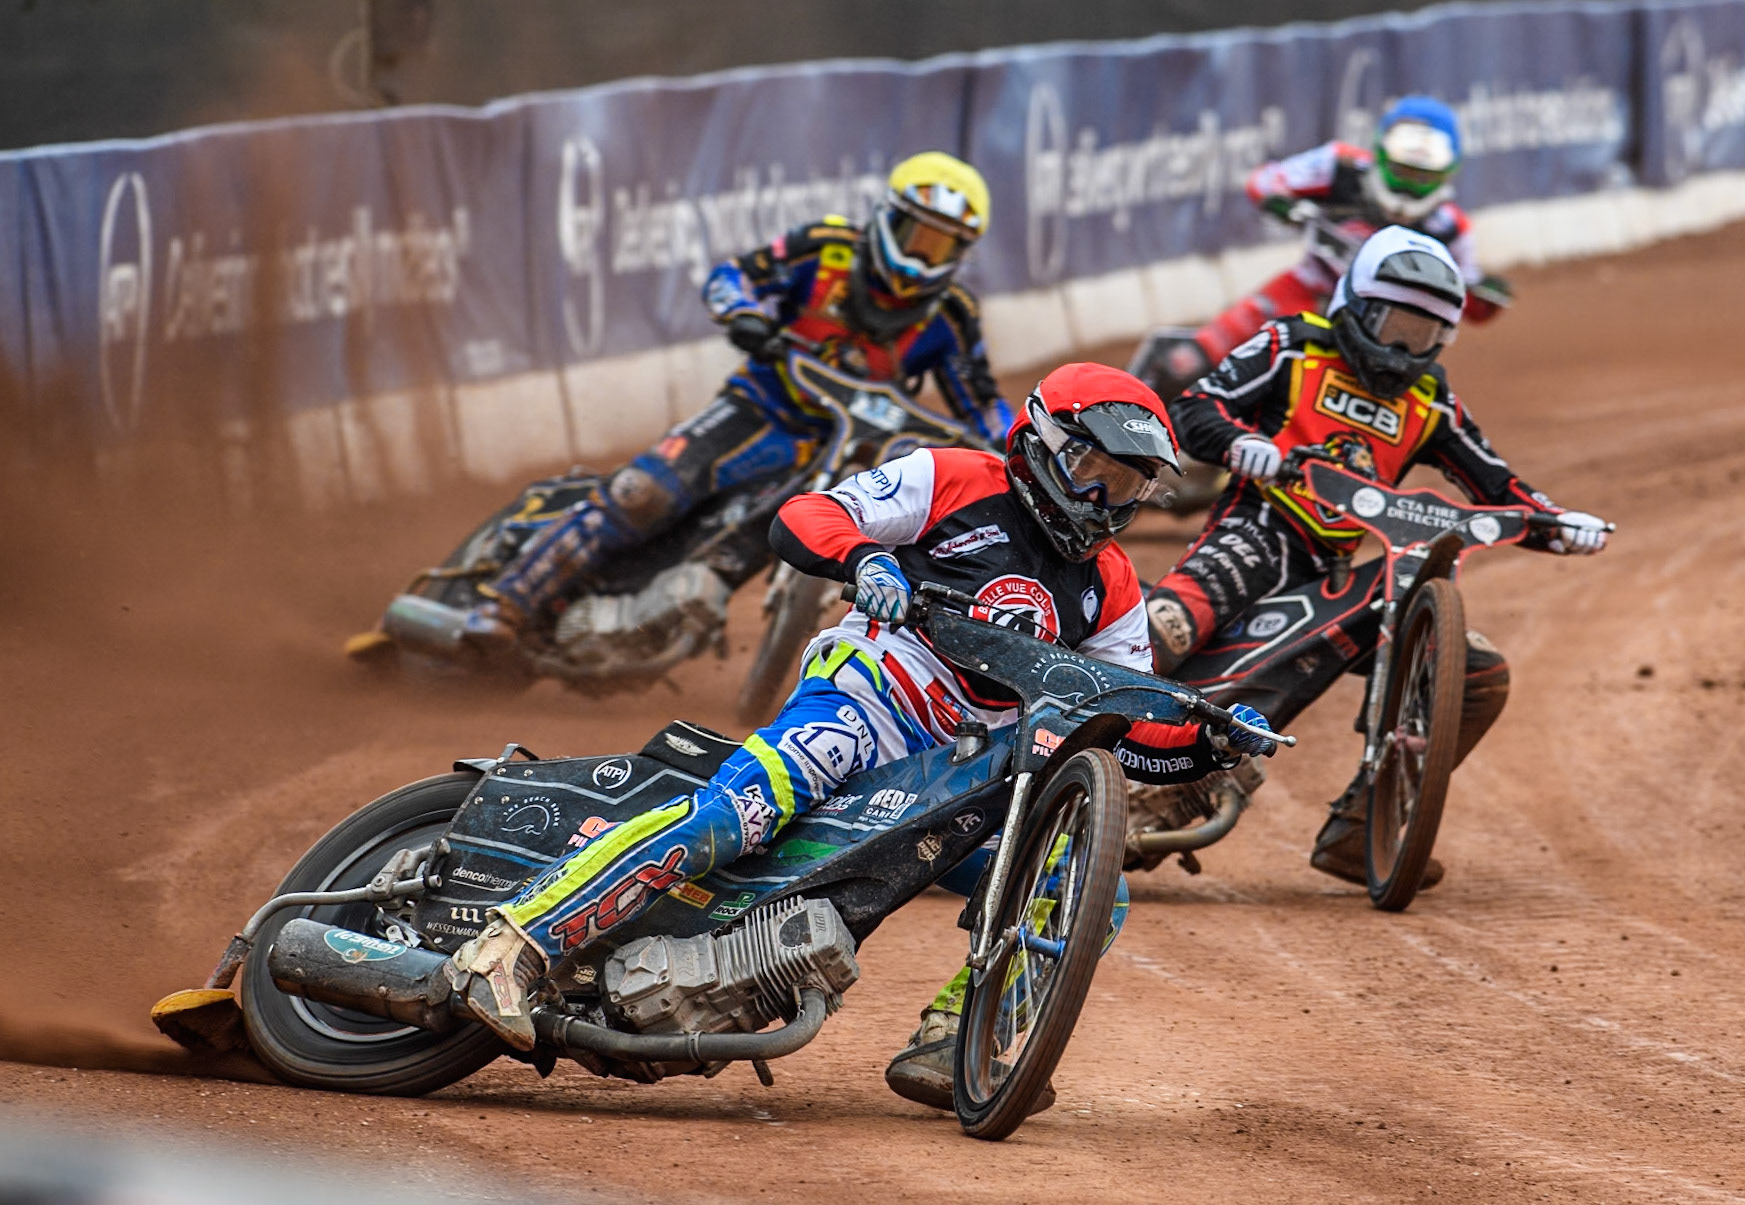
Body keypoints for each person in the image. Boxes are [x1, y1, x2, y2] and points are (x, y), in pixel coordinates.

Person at [443, 363, 1271, 1114]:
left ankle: (955, 1039)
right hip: (869, 695)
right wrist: (867, 560)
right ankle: (510, 943)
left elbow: (1120, 723)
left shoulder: (1114, 581)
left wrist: (1213, 746)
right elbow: (807, 515)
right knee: (737, 814)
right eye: (1094, 472)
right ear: (1044, 444)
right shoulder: (952, 477)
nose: (1107, 501)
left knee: (1097, 890)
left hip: (967, 772)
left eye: (1128, 484)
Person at [1142, 226, 1608, 886]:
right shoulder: (1292, 345)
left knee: (1475, 672)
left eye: (1421, 336)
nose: (1400, 349)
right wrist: (1243, 441)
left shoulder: (1431, 399)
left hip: (1341, 571)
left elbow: (1497, 486)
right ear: (1355, 303)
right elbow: (1193, 408)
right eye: (1393, 325)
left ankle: (1364, 828)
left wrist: (1558, 522)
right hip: (1257, 531)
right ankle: (1043, 763)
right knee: (1161, 630)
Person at [461, 151, 1012, 648]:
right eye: (916, 234)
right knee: (641, 494)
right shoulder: (827, 248)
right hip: (756, 408)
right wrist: (745, 316)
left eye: (941, 244)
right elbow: (733, 277)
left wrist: (1018, 449)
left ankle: (643, 629)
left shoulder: (952, 315)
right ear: (888, 218)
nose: (922, 255)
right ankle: (505, 603)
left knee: (744, 552)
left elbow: (981, 404)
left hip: (838, 448)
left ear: (961, 252)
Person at [1171, 95, 1512, 382]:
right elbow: (1264, 180)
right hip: (1305, 287)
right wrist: (1280, 201)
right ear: (1380, 155)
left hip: (1374, 327)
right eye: (1403, 171)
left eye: (1422, 176)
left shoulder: (1450, 226)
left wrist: (1486, 298)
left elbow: (1464, 297)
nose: (1410, 185)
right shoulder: (1340, 165)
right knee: (1188, 362)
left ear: (1446, 174)